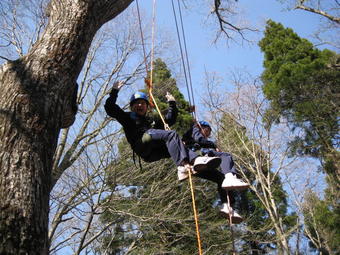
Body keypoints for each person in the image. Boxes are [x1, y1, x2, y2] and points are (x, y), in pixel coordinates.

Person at [104, 81, 221, 178]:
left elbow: (170, 120)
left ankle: (196, 160)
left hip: (152, 153)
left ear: (147, 107)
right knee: (170, 135)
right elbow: (110, 108)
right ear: (132, 106)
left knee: (178, 144)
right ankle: (181, 167)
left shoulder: (151, 122)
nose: (139, 105)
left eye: (142, 103)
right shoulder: (127, 117)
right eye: (136, 104)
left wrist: (172, 104)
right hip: (141, 144)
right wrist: (114, 92)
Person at [182, 120, 249, 223]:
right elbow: (199, 139)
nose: (207, 135)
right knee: (225, 156)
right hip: (198, 158)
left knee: (221, 179)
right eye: (207, 131)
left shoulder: (196, 136)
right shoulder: (195, 129)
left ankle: (227, 206)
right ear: (201, 127)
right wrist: (213, 145)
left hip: (199, 166)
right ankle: (230, 176)